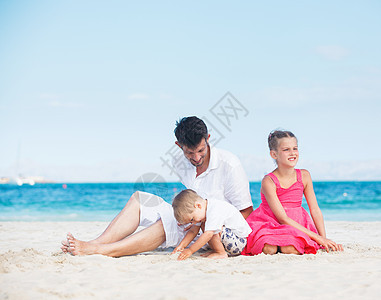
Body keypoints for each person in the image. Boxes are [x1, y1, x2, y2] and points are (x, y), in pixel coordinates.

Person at [61, 116, 253, 257]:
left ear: (208, 138)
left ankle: (101, 251)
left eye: (201, 150)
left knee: (168, 222)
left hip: (214, 230)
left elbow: (246, 212)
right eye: (189, 152)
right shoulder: (179, 163)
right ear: (179, 146)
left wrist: (207, 228)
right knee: (139, 199)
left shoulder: (230, 164)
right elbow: (190, 199)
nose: (196, 158)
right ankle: (95, 243)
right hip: (192, 218)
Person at [242, 130, 343, 256]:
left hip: (296, 222)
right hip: (270, 222)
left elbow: (315, 210)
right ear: (274, 154)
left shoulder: (305, 176)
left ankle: (282, 245)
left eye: (295, 148)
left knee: (290, 249)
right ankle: (275, 244)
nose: (292, 153)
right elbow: (283, 218)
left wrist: (323, 238)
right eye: (286, 150)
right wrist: (319, 238)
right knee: (268, 249)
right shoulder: (269, 181)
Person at [171, 189, 252, 260]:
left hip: (239, 242)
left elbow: (209, 234)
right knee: (205, 225)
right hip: (230, 240)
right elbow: (193, 231)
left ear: (198, 206)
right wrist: (181, 246)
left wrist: (190, 250)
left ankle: (221, 253)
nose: (194, 223)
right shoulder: (202, 211)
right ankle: (217, 250)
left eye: (192, 219)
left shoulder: (214, 209)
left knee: (210, 230)